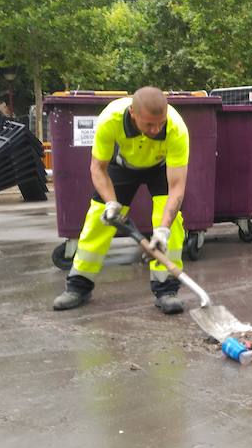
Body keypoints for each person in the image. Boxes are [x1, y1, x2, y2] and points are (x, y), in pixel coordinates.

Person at [52, 87, 189, 315]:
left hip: (162, 168)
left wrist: (163, 229)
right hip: (124, 166)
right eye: (149, 125)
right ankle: (78, 286)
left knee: (171, 224)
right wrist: (111, 204)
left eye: (160, 123)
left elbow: (177, 186)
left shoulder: (176, 128)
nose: (156, 130)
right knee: (98, 217)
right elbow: (98, 167)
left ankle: (167, 289)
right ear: (133, 113)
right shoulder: (110, 119)